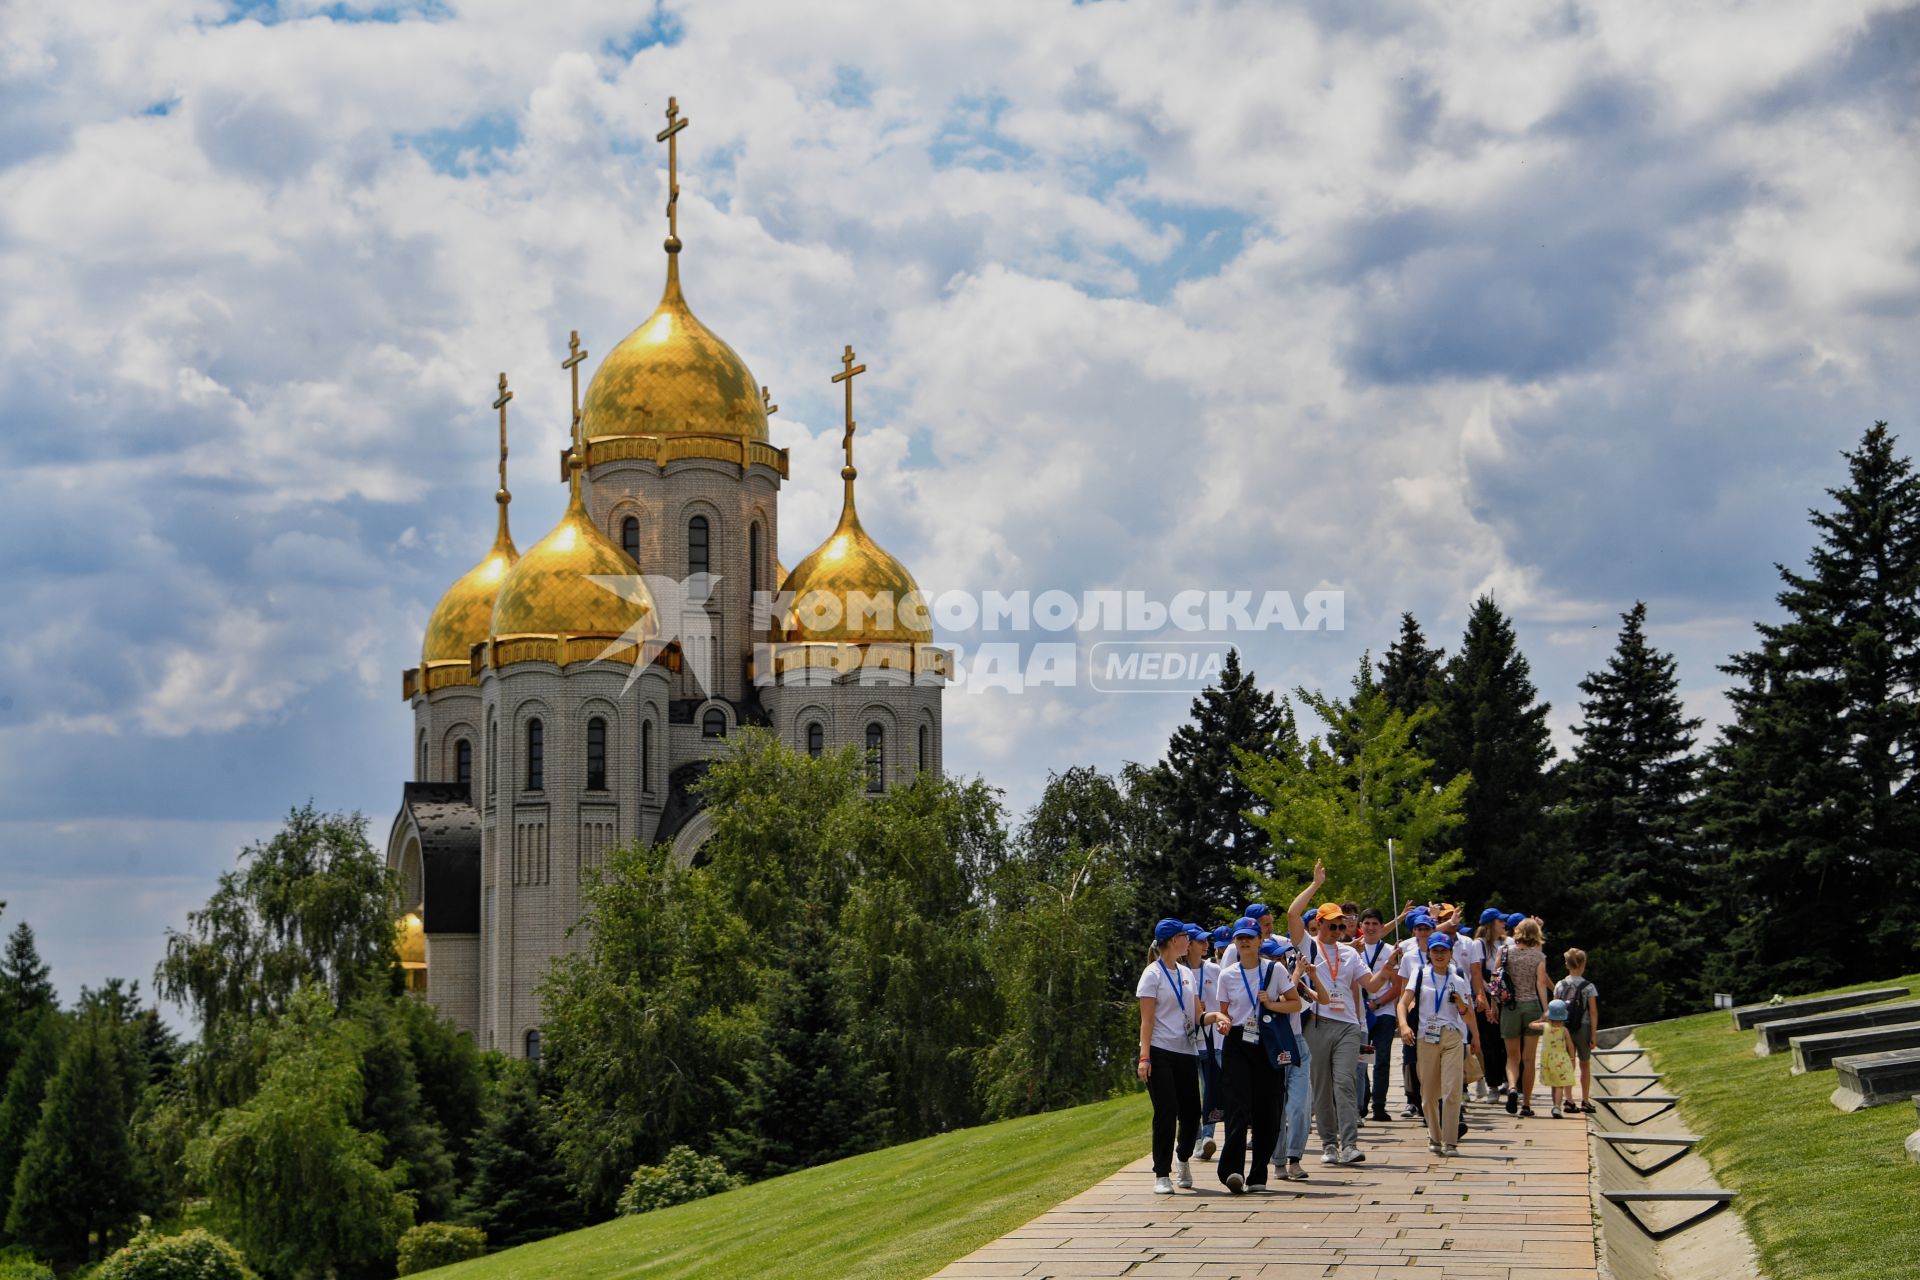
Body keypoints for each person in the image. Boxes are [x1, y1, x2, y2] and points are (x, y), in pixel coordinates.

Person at [1206, 917, 1301, 1194]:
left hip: (1268, 1042)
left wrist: (1271, 1003)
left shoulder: (1276, 971)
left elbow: (1294, 1003)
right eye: (1240, 938)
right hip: (1237, 1042)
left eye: (1250, 936)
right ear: (1234, 942)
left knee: (1268, 1109)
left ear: (1260, 940)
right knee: (1238, 1107)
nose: (1245, 941)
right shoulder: (1228, 974)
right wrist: (1222, 1021)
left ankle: (1258, 1172)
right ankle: (1231, 1170)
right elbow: (1224, 1010)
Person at [1302, 902, 1394, 1165]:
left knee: (1345, 1081)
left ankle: (1350, 1144)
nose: (1338, 930)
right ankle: (1329, 1144)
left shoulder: (1350, 954)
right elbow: (1292, 914)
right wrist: (1316, 884)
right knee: (1322, 1087)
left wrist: (1388, 967)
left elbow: (1372, 984)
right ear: (1319, 924)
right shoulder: (1307, 946)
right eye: (1332, 925)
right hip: (1317, 1023)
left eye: (1342, 926)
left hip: (1348, 1025)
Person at [1136, 918, 1204, 1193]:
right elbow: (1147, 1021)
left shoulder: (1187, 974)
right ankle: (1161, 1174)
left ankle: (1183, 1157)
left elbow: (1197, 1015)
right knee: (1165, 1113)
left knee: (1192, 1114)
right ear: (1173, 940)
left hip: (1187, 1050)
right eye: (1185, 937)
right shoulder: (1152, 974)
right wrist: (1144, 1057)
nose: (1189, 941)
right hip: (1160, 1051)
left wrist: (1218, 1018)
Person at [1398, 931, 1475, 1156]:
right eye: (1435, 950)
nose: (1439, 954)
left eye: (1444, 950)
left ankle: (1450, 1141)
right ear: (1429, 953)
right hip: (1426, 1037)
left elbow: (1468, 1016)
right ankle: (1434, 1135)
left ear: (1451, 953)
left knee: (1452, 1090)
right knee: (1429, 1093)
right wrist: (1403, 1026)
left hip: (1452, 1036)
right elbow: (1403, 1003)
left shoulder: (1458, 979)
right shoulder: (1419, 974)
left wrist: (1461, 1004)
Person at [1501, 918, 1554, 1116]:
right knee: (1529, 1059)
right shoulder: (1538, 957)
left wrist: (1493, 1005)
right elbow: (1541, 983)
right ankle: (1527, 1104)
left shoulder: (1504, 952)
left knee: (1512, 1057)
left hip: (1510, 1007)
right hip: (1531, 1006)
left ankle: (1512, 1087)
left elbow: (1496, 978)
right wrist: (1545, 1009)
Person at [1354, 907, 1403, 1123]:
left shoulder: (1390, 950)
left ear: (1382, 927)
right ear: (1360, 926)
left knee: (1382, 1058)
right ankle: (1361, 1102)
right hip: (1361, 1013)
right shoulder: (1353, 950)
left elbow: (1397, 986)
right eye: (1367, 923)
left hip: (1383, 1012)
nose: (1371, 928)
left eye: (1375, 924)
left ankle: (1380, 1105)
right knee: (1362, 1058)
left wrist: (1377, 1003)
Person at [1188, 925, 1225, 1158]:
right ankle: (1196, 1138)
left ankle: (1208, 1136)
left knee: (1211, 1088)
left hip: (1213, 1040)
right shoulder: (1179, 972)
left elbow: (1225, 1000)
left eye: (1206, 941)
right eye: (1200, 941)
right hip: (1187, 1042)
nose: (1206, 945)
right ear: (1188, 945)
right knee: (1190, 1094)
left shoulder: (1214, 969)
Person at [1553, 949, 1599, 1114]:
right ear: (1583, 965)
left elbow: (1555, 1009)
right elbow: (1593, 1012)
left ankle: (1568, 1099)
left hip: (1564, 1029)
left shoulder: (1559, 985)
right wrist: (1593, 1035)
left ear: (1567, 964)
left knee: (1567, 1064)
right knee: (1584, 1064)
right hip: (1583, 1028)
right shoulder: (1589, 987)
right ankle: (1585, 1100)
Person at [1532, 999, 1579, 1117]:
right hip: (1561, 1059)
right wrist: (1572, 1059)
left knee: (1554, 1084)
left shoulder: (1544, 1026)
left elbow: (1530, 1025)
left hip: (1548, 1060)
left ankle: (1555, 1105)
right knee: (1559, 1085)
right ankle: (1557, 1106)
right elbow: (1571, 1047)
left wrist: (1541, 1019)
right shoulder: (1564, 1030)